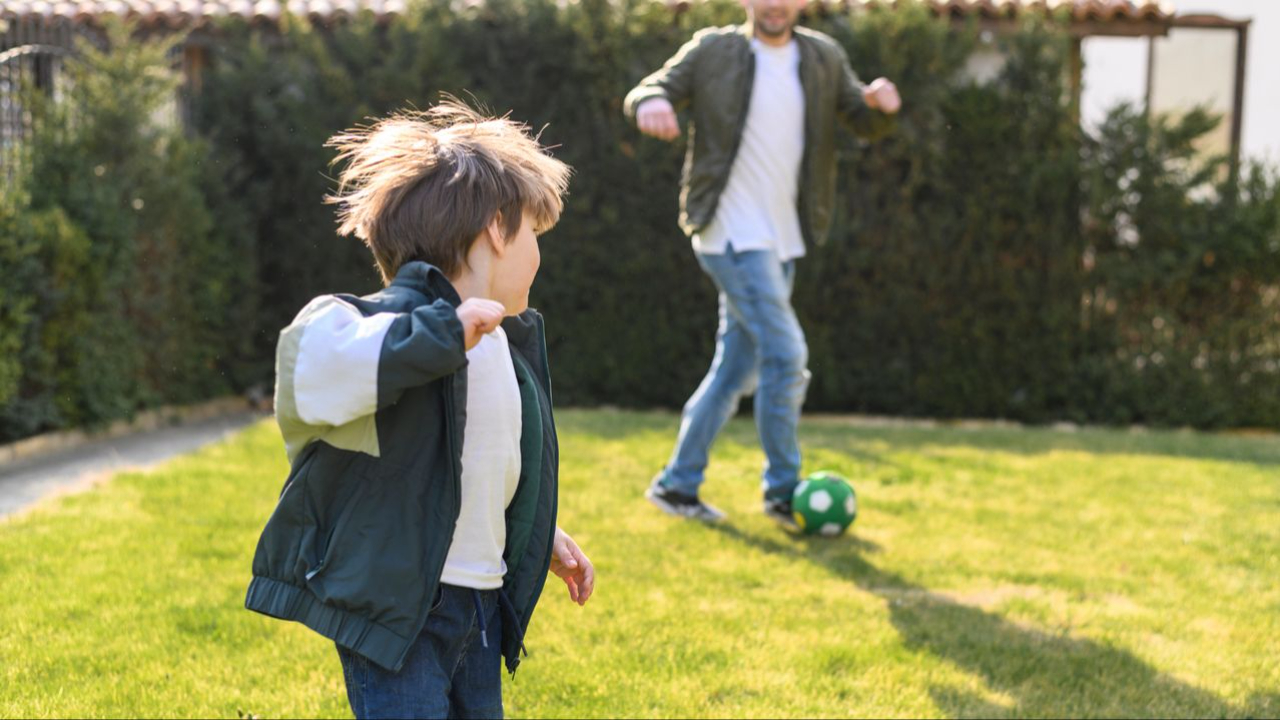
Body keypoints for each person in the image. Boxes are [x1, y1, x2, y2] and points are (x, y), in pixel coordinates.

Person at [244, 101, 594, 719]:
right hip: (400, 608)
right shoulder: (368, 326)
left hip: (479, 604)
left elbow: (486, 464)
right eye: (534, 236)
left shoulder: (502, 350)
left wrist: (539, 530)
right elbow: (309, 373)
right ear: (497, 229)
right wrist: (440, 334)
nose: (539, 256)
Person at [625, 0, 901, 526]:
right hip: (730, 231)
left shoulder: (823, 57)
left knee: (734, 370)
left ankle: (677, 485)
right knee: (787, 357)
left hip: (782, 239)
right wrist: (650, 102)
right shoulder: (714, 49)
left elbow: (862, 120)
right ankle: (783, 491)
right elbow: (650, 89)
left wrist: (882, 106)